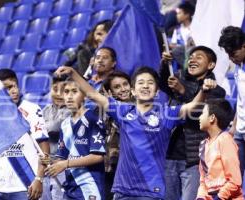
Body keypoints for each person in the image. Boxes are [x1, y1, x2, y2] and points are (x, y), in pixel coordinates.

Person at [54, 65, 218, 199]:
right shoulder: (123, 110)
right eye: (141, 82)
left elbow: (192, 106)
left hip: (151, 191)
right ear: (133, 90)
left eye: (150, 83)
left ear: (156, 92)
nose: (145, 86)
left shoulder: (167, 114)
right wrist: (73, 73)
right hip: (123, 190)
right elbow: (93, 95)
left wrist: (203, 91)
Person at [160, 46, 226, 200]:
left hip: (194, 160)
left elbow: (199, 113)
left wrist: (183, 92)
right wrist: (164, 64)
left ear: (211, 65)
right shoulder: (178, 80)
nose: (192, 59)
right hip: (170, 155)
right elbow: (161, 82)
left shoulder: (217, 90)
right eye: (191, 57)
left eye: (199, 57)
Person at [0, 69, 50, 200]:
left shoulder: (32, 109)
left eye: (14, 86)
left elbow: (44, 148)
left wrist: (39, 178)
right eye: (7, 88)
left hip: (26, 186)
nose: (14, 91)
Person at [43, 79, 106, 200]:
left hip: (90, 187)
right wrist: (49, 160)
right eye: (66, 92)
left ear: (84, 96)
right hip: (70, 188)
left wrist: (66, 164)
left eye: (74, 91)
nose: (69, 96)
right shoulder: (65, 124)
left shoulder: (94, 119)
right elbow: (62, 158)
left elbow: (98, 156)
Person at [196, 98, 243, 200]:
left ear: (212, 118)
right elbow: (203, 180)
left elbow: (235, 180)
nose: (199, 117)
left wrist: (219, 197)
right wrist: (200, 197)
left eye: (203, 113)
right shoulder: (204, 145)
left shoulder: (225, 140)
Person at [218, 26, 245, 183]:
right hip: (240, 133)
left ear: (244, 45)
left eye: (233, 54)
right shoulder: (238, 68)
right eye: (228, 54)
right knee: (233, 181)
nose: (231, 58)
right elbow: (241, 100)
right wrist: (234, 127)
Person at [102, 71, 132, 200]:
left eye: (125, 84)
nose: (123, 89)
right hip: (109, 166)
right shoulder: (104, 111)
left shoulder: (139, 107)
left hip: (130, 168)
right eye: (117, 87)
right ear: (110, 92)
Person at [42, 76, 70, 200]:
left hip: (64, 166)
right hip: (46, 165)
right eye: (55, 89)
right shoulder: (45, 110)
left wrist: (39, 128)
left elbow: (55, 126)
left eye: (63, 90)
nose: (59, 94)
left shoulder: (72, 110)